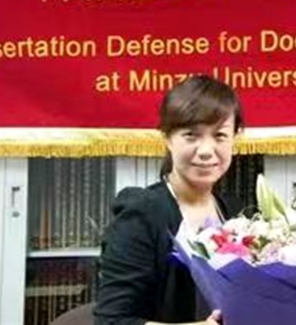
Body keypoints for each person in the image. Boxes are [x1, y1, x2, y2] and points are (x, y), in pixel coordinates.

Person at [94, 75, 245, 325]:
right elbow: (111, 321)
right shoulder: (141, 215)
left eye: (220, 135)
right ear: (167, 137)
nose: (206, 151)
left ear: (235, 137)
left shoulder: (235, 213)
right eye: (191, 135)